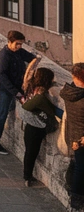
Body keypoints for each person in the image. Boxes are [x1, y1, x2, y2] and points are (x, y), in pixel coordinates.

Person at [0, 30, 36, 155]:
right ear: (9, 42)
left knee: (8, 111)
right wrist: (17, 93)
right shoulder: (3, 56)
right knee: (1, 114)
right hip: (7, 90)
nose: (19, 47)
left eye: (21, 44)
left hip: (18, 89)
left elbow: (32, 58)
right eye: (17, 44)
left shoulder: (19, 52)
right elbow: (2, 77)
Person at [20, 61, 57, 187]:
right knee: (32, 151)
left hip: (31, 124)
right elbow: (50, 110)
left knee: (29, 151)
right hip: (37, 125)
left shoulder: (31, 87)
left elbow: (27, 75)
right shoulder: (40, 96)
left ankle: (27, 175)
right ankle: (27, 176)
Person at [57, 62, 84, 210]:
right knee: (80, 167)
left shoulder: (69, 92)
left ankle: (71, 189)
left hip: (72, 133)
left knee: (76, 164)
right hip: (81, 138)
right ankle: (76, 197)